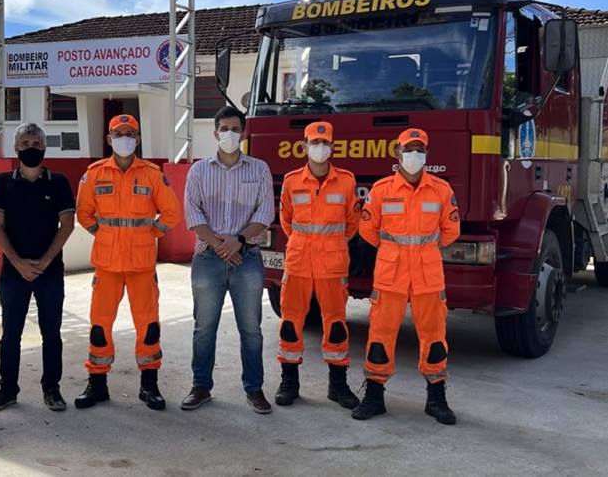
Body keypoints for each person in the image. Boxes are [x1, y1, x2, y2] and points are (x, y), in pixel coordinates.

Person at [352, 128, 461, 425]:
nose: (414, 154)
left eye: (419, 149)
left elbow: (451, 231)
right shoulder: (383, 189)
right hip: (391, 274)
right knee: (380, 335)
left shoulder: (440, 190)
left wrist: (421, 250)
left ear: (426, 154)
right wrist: (396, 250)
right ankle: (374, 396)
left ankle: (436, 399)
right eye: (408, 149)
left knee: (434, 337)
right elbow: (367, 229)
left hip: (428, 274)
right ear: (397, 153)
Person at [74, 114, 180, 410]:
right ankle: (97, 384)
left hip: (141, 265)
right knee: (100, 325)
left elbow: (171, 214)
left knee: (148, 325)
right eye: (119, 133)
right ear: (109, 139)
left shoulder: (152, 174)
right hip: (107, 265)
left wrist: (150, 234)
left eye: (130, 133)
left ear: (138, 138)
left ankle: (149, 386)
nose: (125, 138)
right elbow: (84, 214)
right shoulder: (94, 174)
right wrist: (104, 235)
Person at [180, 106, 275, 414]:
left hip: (247, 258)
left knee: (251, 328)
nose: (230, 134)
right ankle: (201, 386)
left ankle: (254, 389)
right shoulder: (199, 170)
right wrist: (221, 245)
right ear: (215, 132)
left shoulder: (259, 169)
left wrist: (238, 242)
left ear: (244, 133)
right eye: (224, 128)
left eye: (235, 128)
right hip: (208, 258)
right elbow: (193, 215)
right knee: (204, 327)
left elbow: (265, 213)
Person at [0, 123, 75, 412]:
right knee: (11, 333)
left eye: (36, 143)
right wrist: (17, 262)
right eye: (25, 143)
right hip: (14, 272)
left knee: (52, 332)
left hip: (50, 272)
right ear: (16, 148)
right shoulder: (1, 183)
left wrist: (45, 262)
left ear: (45, 148)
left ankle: (52, 389)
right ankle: (7, 389)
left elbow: (68, 224)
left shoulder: (59, 182)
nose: (31, 148)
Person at [274, 121, 360, 409]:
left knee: (335, 324)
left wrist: (330, 243)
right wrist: (305, 242)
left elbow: (352, 223)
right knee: (290, 323)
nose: (319, 148)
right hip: (298, 261)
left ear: (332, 146)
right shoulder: (291, 180)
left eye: (324, 143)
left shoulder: (347, 181)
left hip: (332, 263)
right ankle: (290, 382)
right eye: (314, 143)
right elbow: (286, 220)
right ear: (304, 146)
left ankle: (338, 385)